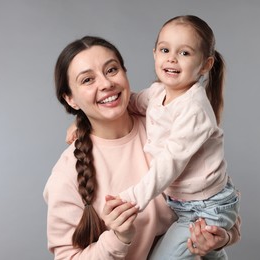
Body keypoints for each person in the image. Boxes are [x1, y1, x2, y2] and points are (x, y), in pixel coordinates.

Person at [44, 35, 241, 260]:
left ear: (125, 73)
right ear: (71, 99)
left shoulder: (168, 124)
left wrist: (221, 239)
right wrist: (118, 238)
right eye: (87, 80)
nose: (106, 83)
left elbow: (221, 205)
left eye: (111, 70)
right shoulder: (67, 174)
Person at [100, 15, 239, 260]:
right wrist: (84, 124)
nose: (172, 58)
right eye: (165, 50)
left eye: (185, 53)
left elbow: (170, 163)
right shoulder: (157, 93)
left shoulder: (194, 109)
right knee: (203, 254)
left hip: (206, 207)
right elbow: (129, 102)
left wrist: (132, 198)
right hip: (183, 202)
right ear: (155, 54)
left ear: (206, 65)